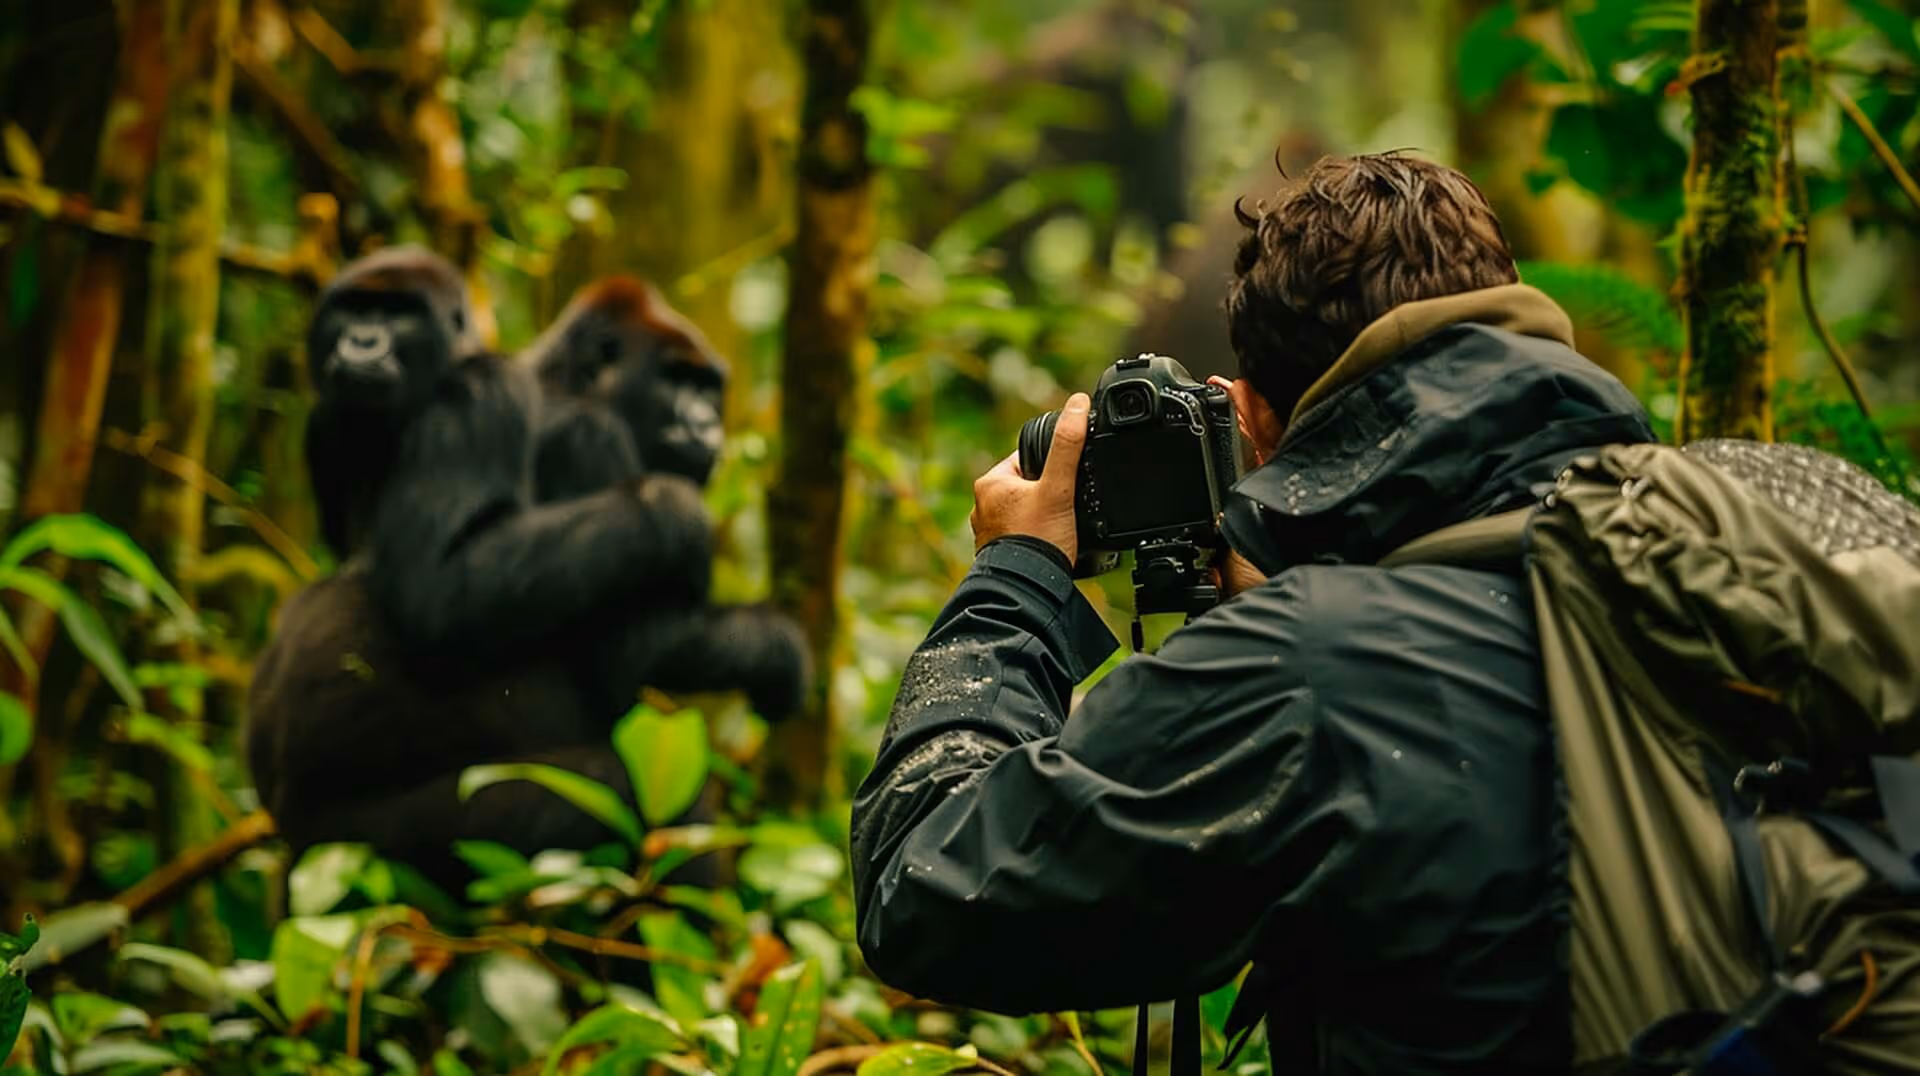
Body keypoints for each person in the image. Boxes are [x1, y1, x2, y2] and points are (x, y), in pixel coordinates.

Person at [849, 152, 1660, 1074]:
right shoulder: (1759, 537)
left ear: (1252, 420)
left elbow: (921, 888)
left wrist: (1016, 573)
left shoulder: (1314, 670)